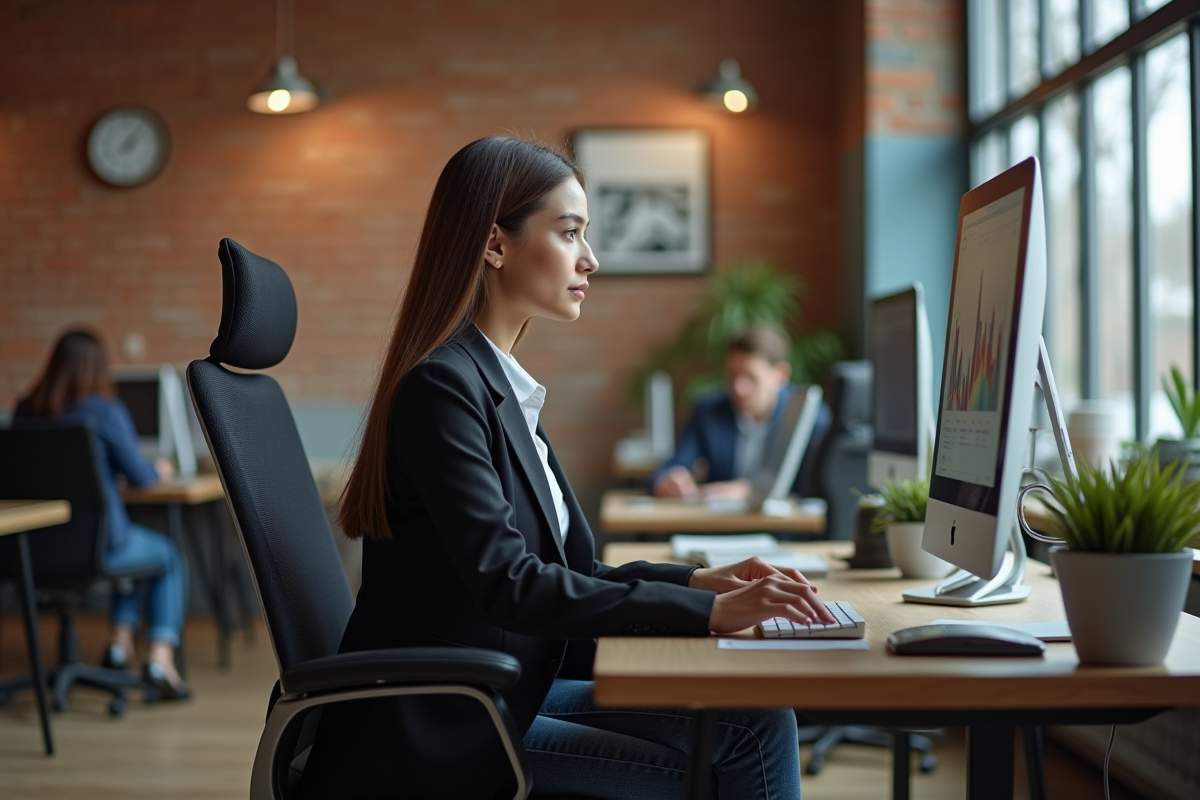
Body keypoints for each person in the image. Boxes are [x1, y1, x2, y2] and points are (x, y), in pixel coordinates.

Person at [301, 137, 832, 800]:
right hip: (451, 719)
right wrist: (707, 616)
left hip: (512, 686)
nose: (592, 258)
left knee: (756, 716)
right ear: (495, 245)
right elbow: (512, 585)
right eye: (570, 232)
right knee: (746, 736)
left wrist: (701, 583)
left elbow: (571, 571)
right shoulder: (442, 389)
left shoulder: (498, 386)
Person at [14, 329, 191, 701]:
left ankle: (118, 645)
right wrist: (158, 471)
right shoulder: (106, 411)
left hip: (31, 550)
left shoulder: (23, 409)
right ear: (97, 368)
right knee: (166, 555)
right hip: (98, 546)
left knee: (134, 546)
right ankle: (160, 659)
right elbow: (141, 479)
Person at [650, 324, 831, 503]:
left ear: (780, 376)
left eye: (751, 378)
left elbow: (815, 489)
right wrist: (668, 481)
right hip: (721, 526)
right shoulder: (709, 411)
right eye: (732, 376)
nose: (738, 388)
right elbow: (671, 466)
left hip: (783, 529)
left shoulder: (808, 418)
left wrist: (751, 491)